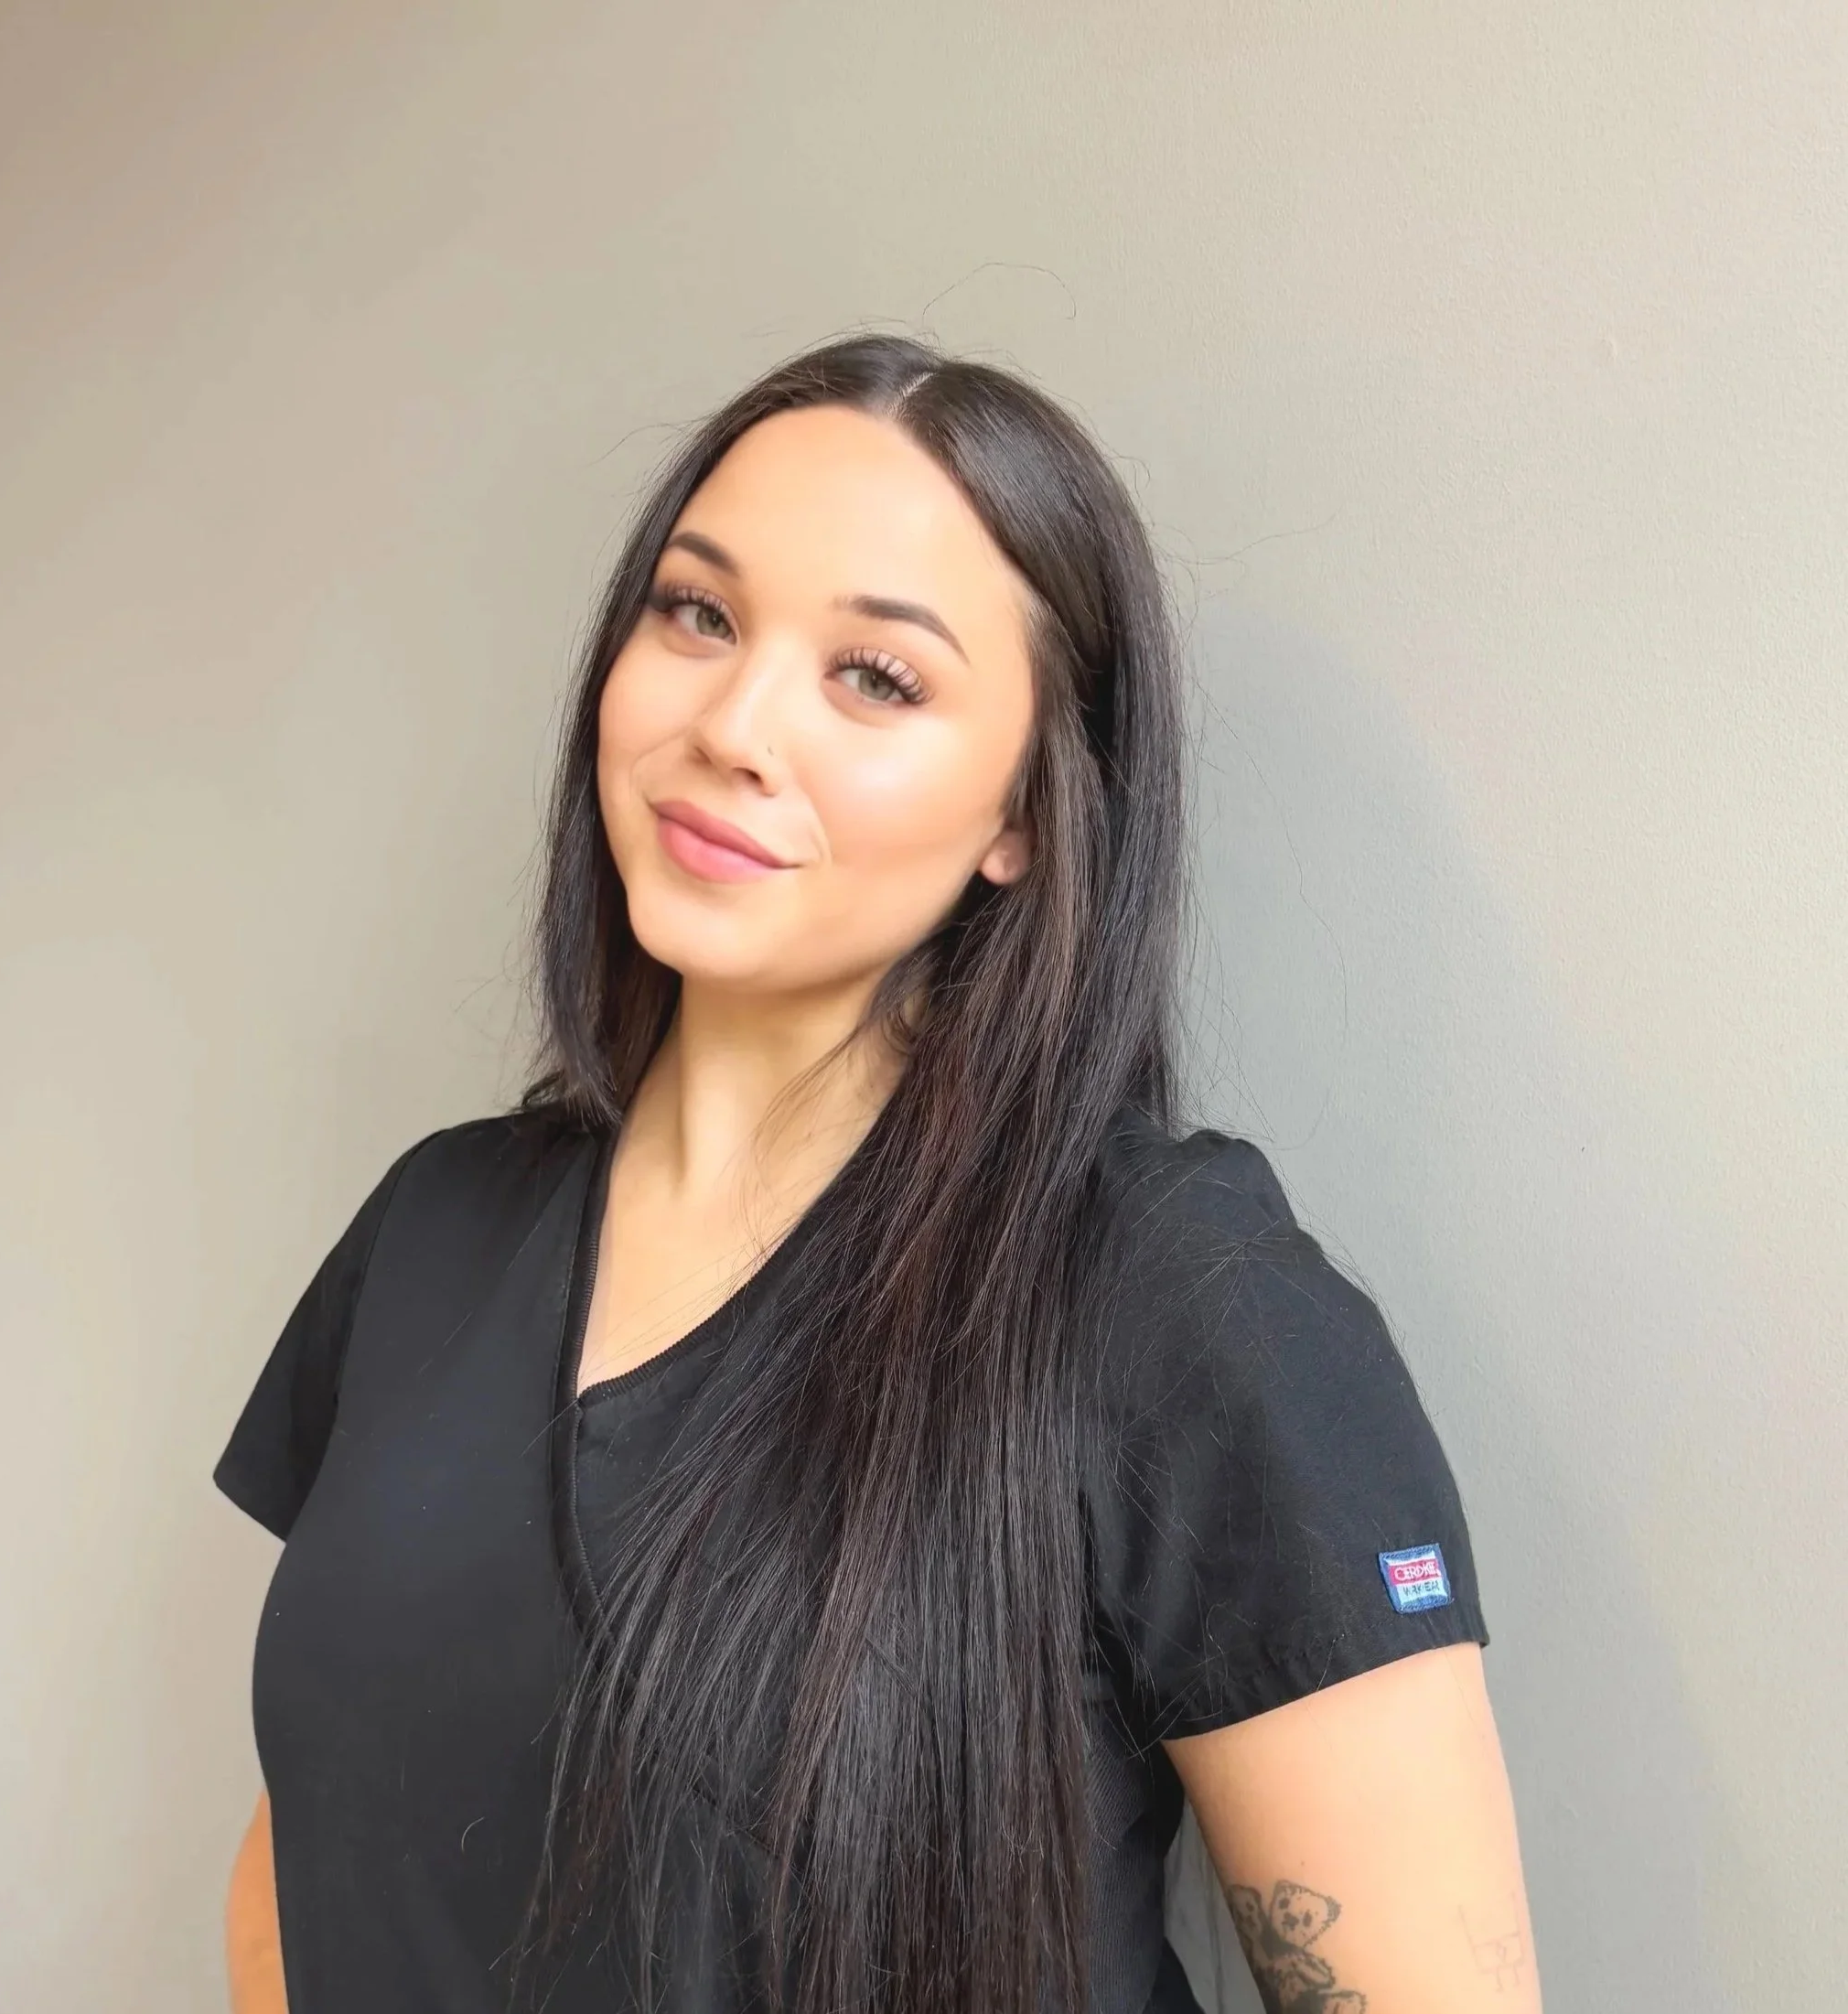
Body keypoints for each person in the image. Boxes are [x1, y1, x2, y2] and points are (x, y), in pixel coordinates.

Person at [215, 332, 1541, 2014]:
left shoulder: (1180, 1302)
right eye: (697, 614)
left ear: (1027, 819)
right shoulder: (432, 1228)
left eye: (879, 679)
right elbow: (312, 1849)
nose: (736, 725)